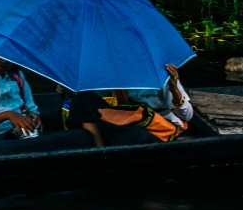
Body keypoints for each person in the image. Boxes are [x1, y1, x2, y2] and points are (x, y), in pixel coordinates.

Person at [0, 47, 93, 155]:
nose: (3, 61)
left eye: (8, 56)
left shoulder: (17, 76)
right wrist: (9, 115)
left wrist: (34, 117)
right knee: (0, 150)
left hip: (26, 136)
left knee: (84, 136)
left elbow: (31, 107)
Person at [66, 63, 212, 147]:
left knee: (138, 137)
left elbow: (187, 115)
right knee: (83, 97)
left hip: (158, 128)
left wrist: (175, 90)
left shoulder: (162, 74)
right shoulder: (117, 74)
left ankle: (105, 144)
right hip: (130, 121)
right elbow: (94, 100)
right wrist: (69, 88)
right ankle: (99, 147)